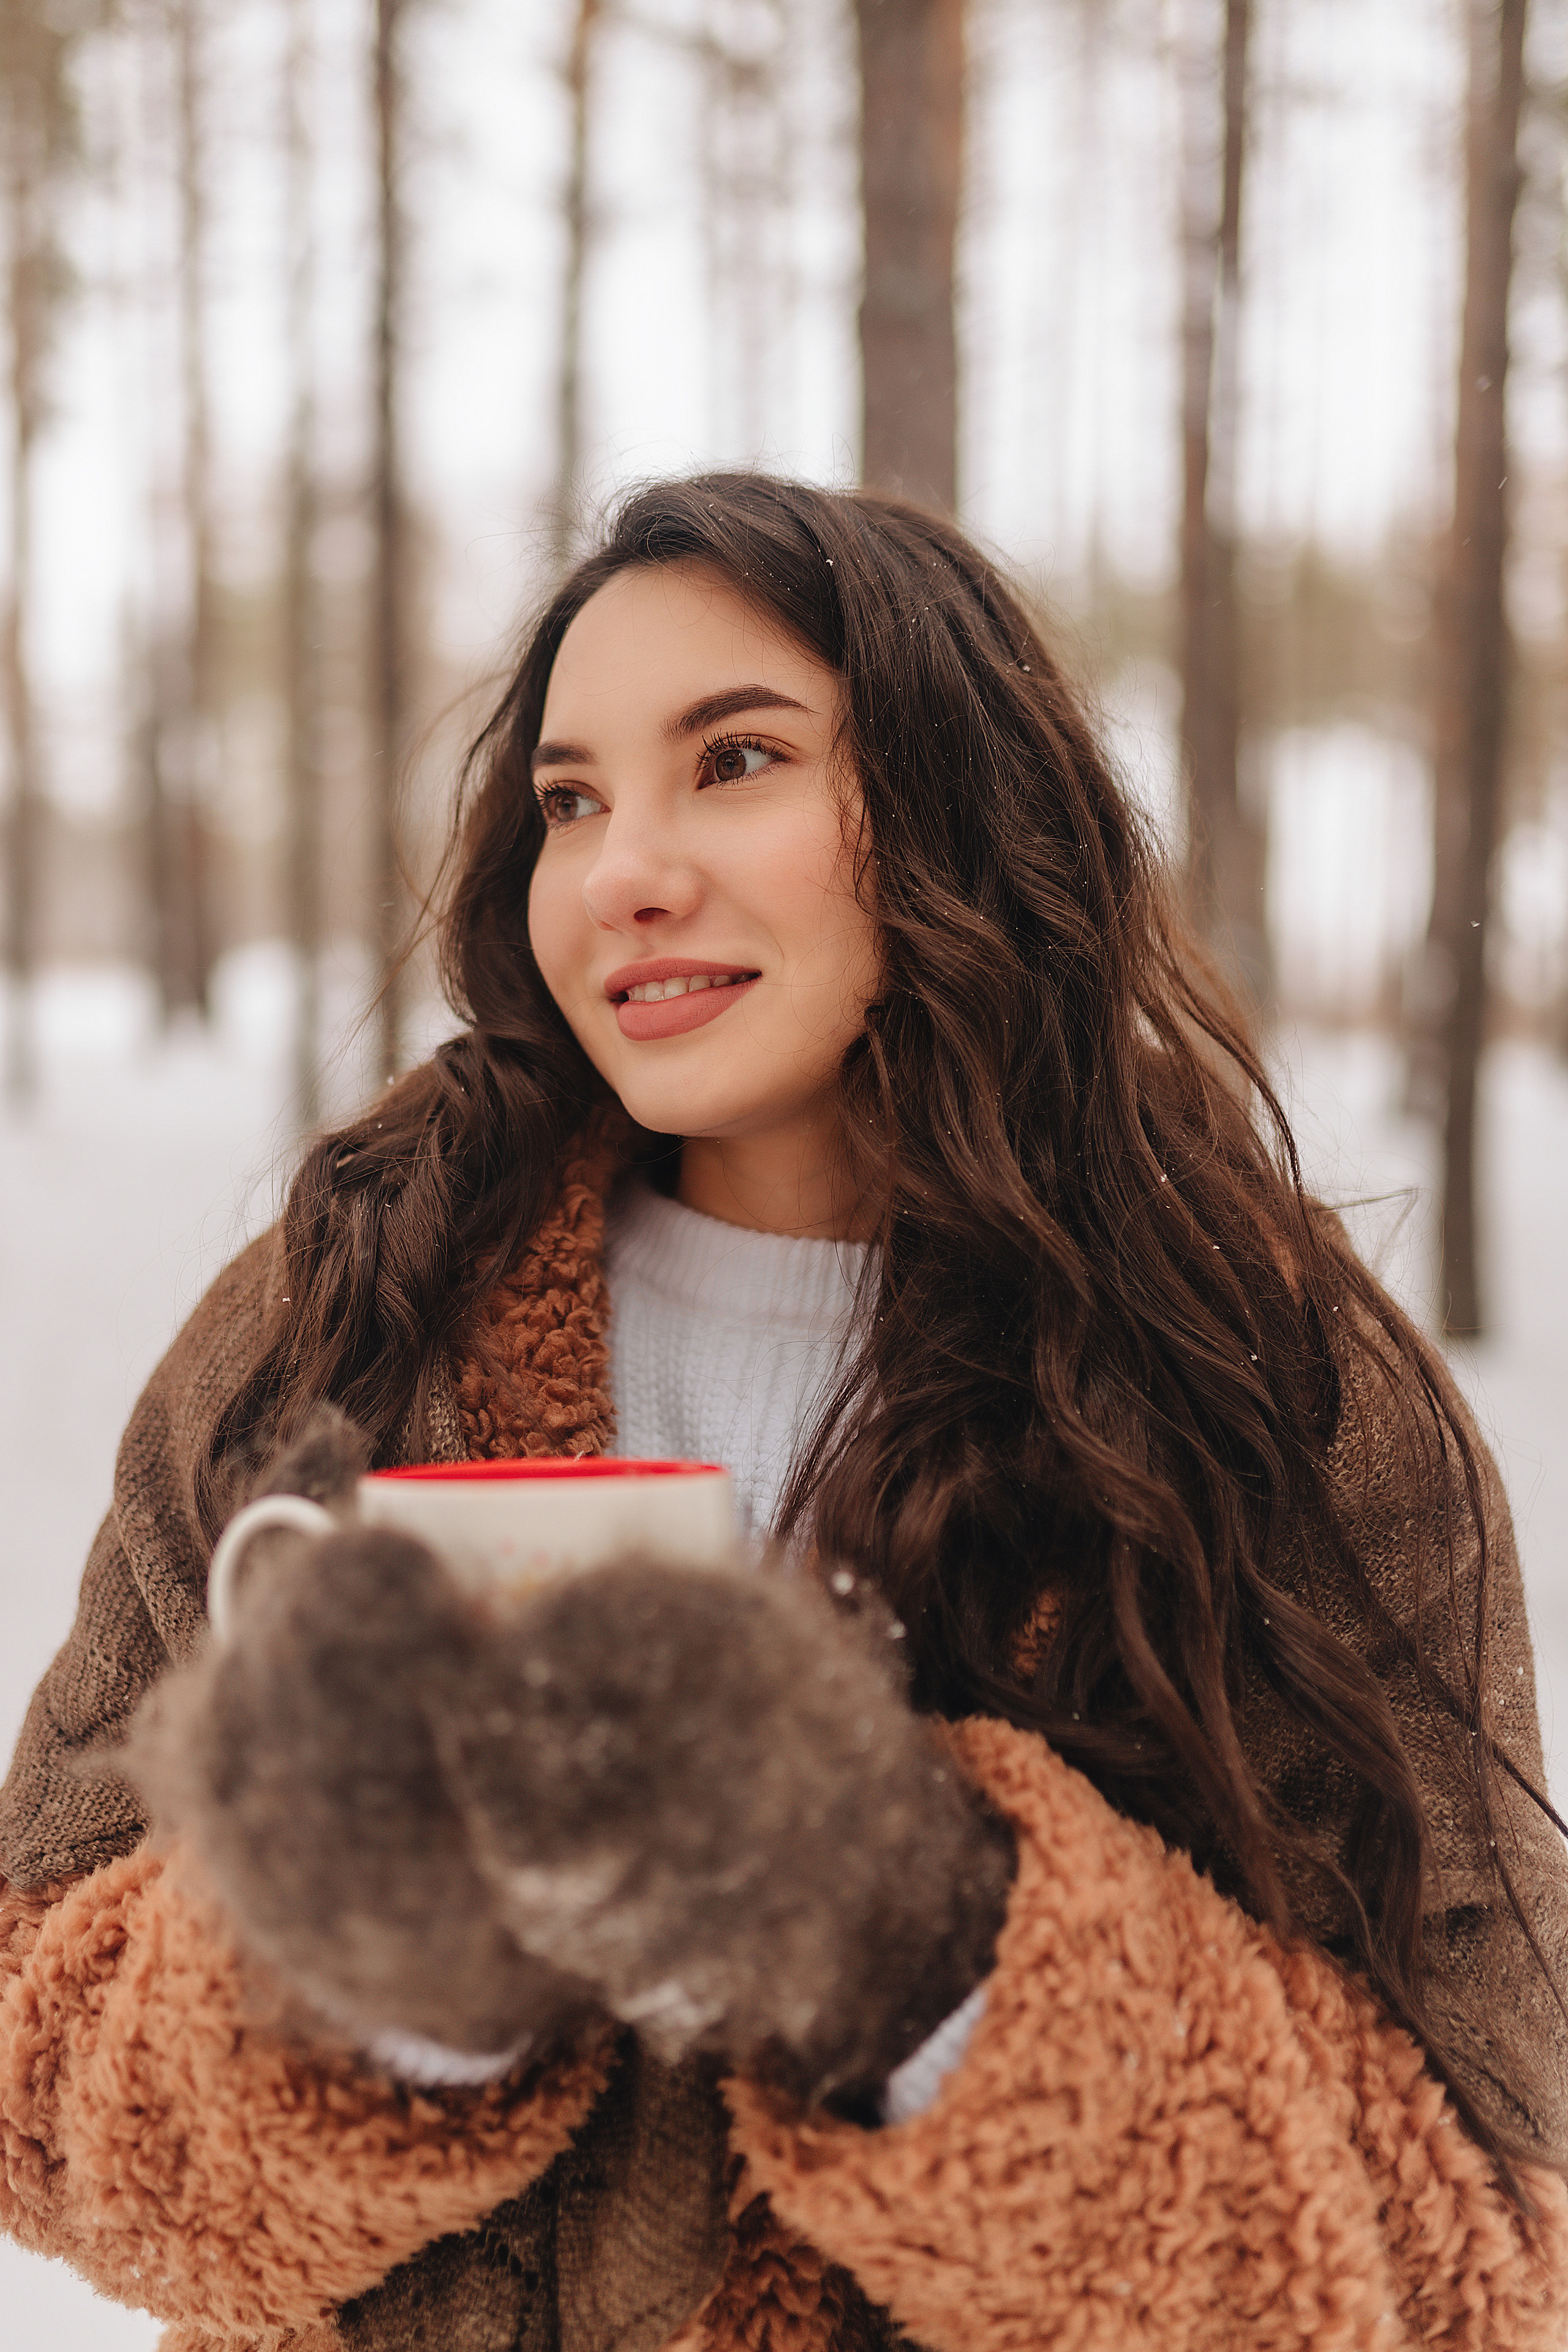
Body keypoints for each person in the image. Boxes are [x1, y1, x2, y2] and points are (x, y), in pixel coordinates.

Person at [2, 472, 1566, 2352]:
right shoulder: (344, 1316)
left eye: (733, 761)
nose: (622, 870)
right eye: (570, 800)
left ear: (955, 813)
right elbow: (37, 2067)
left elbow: (1483, 2240)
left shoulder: (1260, 1374)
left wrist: (905, 1948)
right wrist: (381, 1971)